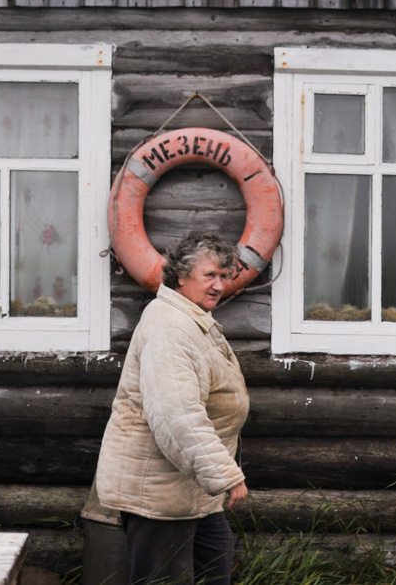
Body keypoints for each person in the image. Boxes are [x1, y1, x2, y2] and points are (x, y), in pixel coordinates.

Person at [95, 231, 250, 585]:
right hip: (159, 497)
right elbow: (177, 417)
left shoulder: (193, 320)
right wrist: (225, 475)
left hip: (191, 492)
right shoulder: (170, 328)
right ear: (181, 275)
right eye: (209, 275)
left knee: (216, 563)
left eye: (224, 277)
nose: (217, 285)